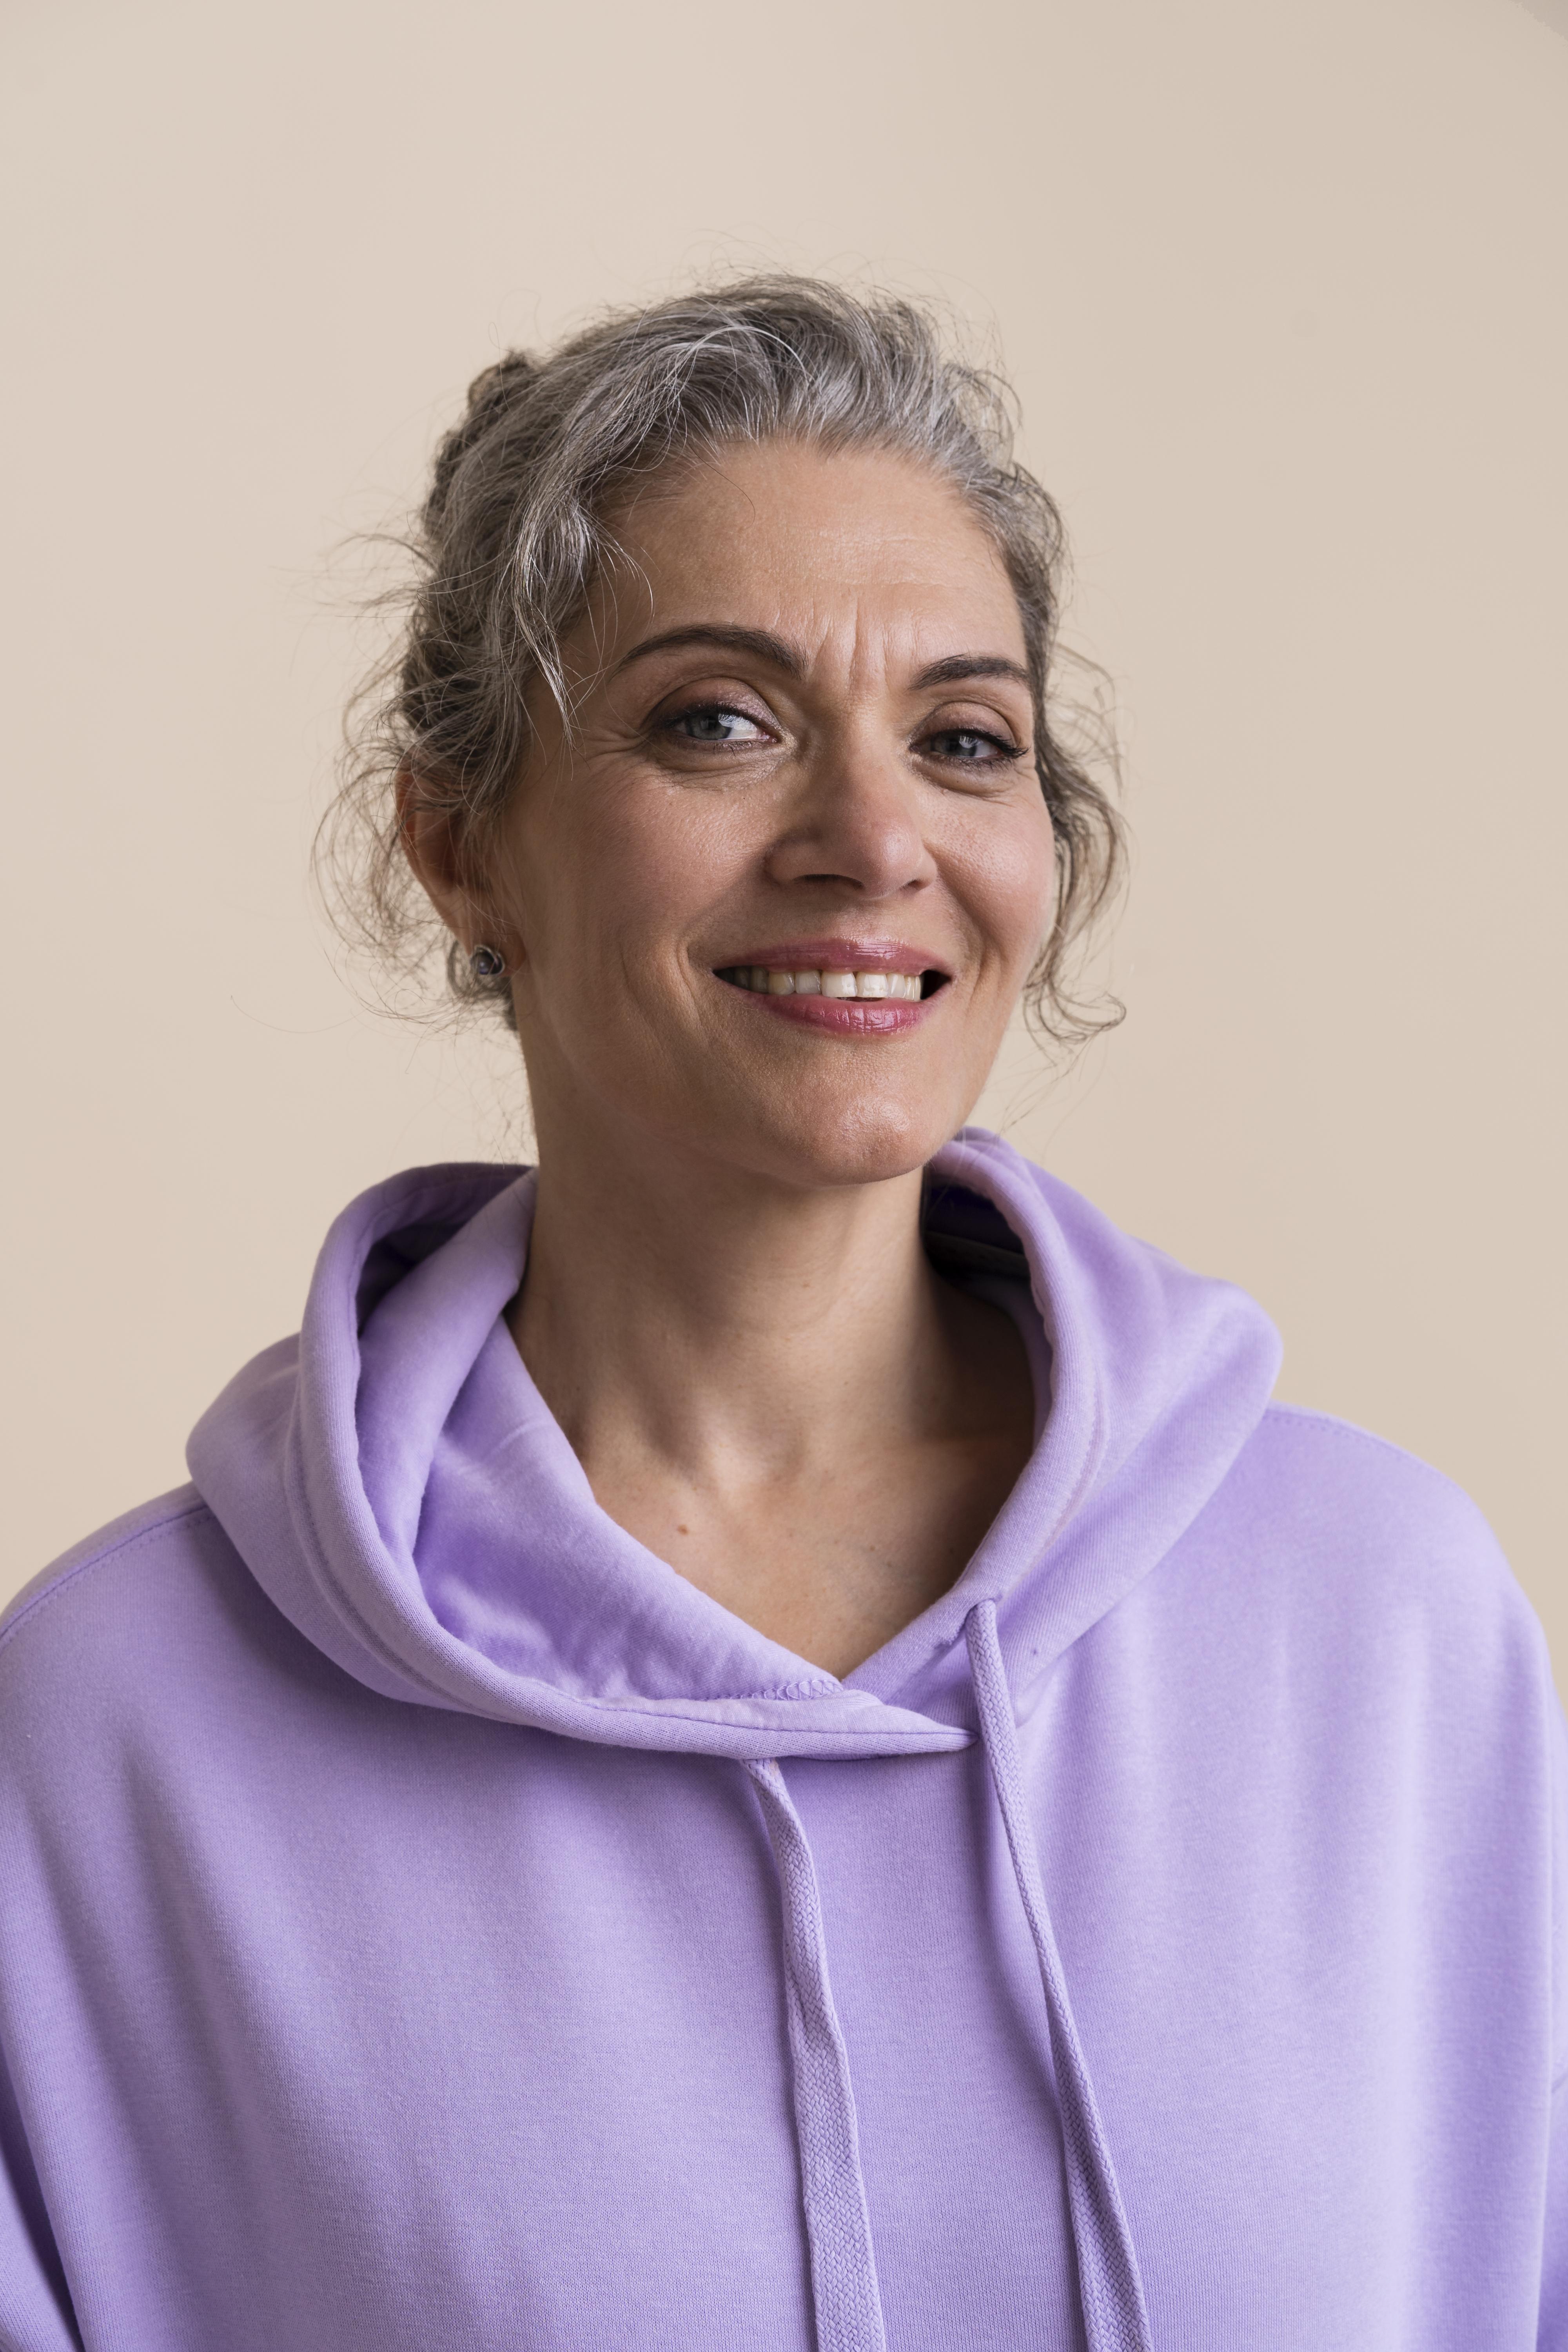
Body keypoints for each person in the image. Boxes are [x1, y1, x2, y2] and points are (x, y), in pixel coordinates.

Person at [0, 277, 1562, 2352]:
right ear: (458, 844)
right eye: (717, 721)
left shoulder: (1383, 1628)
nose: (873, 840)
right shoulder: (114, 1727)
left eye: (965, 740)